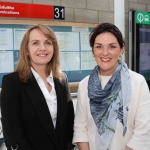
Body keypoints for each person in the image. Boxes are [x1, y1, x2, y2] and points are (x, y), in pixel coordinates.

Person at [73, 23, 150, 150]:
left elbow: (143, 131)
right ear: (93, 51)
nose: (105, 53)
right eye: (99, 47)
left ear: (121, 49)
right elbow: (81, 128)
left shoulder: (138, 82)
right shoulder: (84, 85)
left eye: (112, 46)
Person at [1, 24, 74, 150]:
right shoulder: (12, 83)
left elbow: (69, 123)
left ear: (54, 48)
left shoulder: (62, 79)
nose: (42, 48)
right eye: (35, 43)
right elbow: (13, 132)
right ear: (27, 50)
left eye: (48, 42)